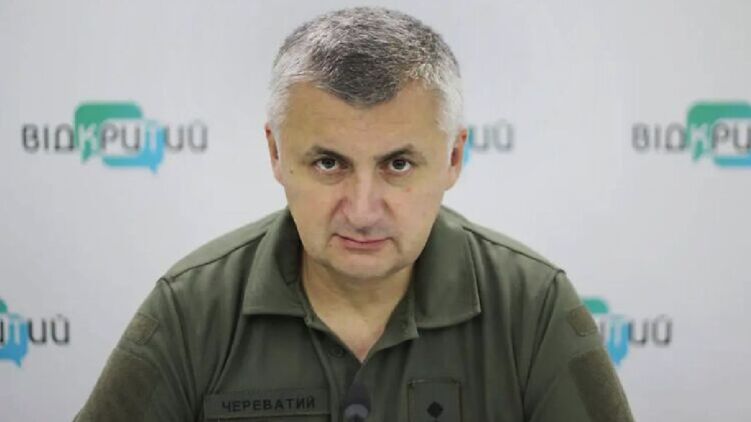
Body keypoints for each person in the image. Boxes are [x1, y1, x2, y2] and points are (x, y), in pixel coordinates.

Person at [76, 6, 633, 422]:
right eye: (328, 163)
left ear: (453, 157)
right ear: (275, 153)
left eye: (397, 164)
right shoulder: (191, 310)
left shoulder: (534, 308)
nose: (363, 211)